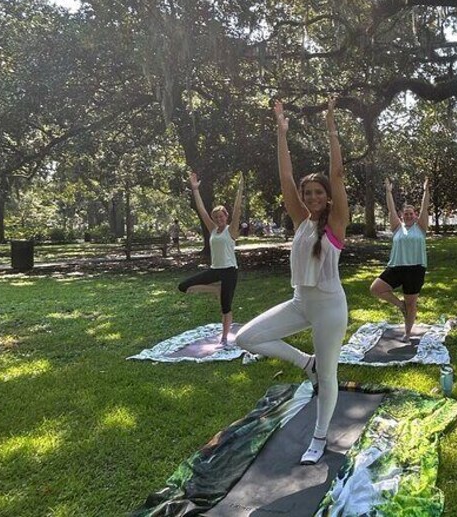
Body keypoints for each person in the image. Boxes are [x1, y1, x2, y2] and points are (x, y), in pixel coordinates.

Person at [236, 98, 349, 465]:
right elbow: (285, 177)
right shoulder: (301, 220)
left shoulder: (336, 225)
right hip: (301, 302)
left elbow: (337, 175)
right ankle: (305, 363)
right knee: (247, 338)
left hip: (329, 307)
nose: (313, 197)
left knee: (329, 376)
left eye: (318, 193)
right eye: (308, 193)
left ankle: (319, 437)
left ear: (327, 198)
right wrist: (281, 131)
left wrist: (331, 129)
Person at [178, 172, 244, 346]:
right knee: (184, 286)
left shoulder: (232, 230)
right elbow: (201, 209)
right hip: (215, 269)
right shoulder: (213, 229)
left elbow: (237, 210)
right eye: (216, 217)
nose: (218, 219)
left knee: (226, 307)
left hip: (230, 271)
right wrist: (195, 189)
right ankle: (215, 290)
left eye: (221, 216)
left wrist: (240, 189)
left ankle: (224, 338)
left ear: (226, 216)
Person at [369, 177, 430, 342]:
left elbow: (425, 208)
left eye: (412, 213)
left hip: (415, 269)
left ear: (415, 216)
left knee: (412, 304)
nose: (409, 215)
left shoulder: (421, 227)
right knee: (376, 288)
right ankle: (400, 305)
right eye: (406, 214)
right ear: (402, 216)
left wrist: (425, 191)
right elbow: (391, 210)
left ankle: (408, 333)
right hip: (395, 267)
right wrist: (388, 192)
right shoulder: (397, 228)